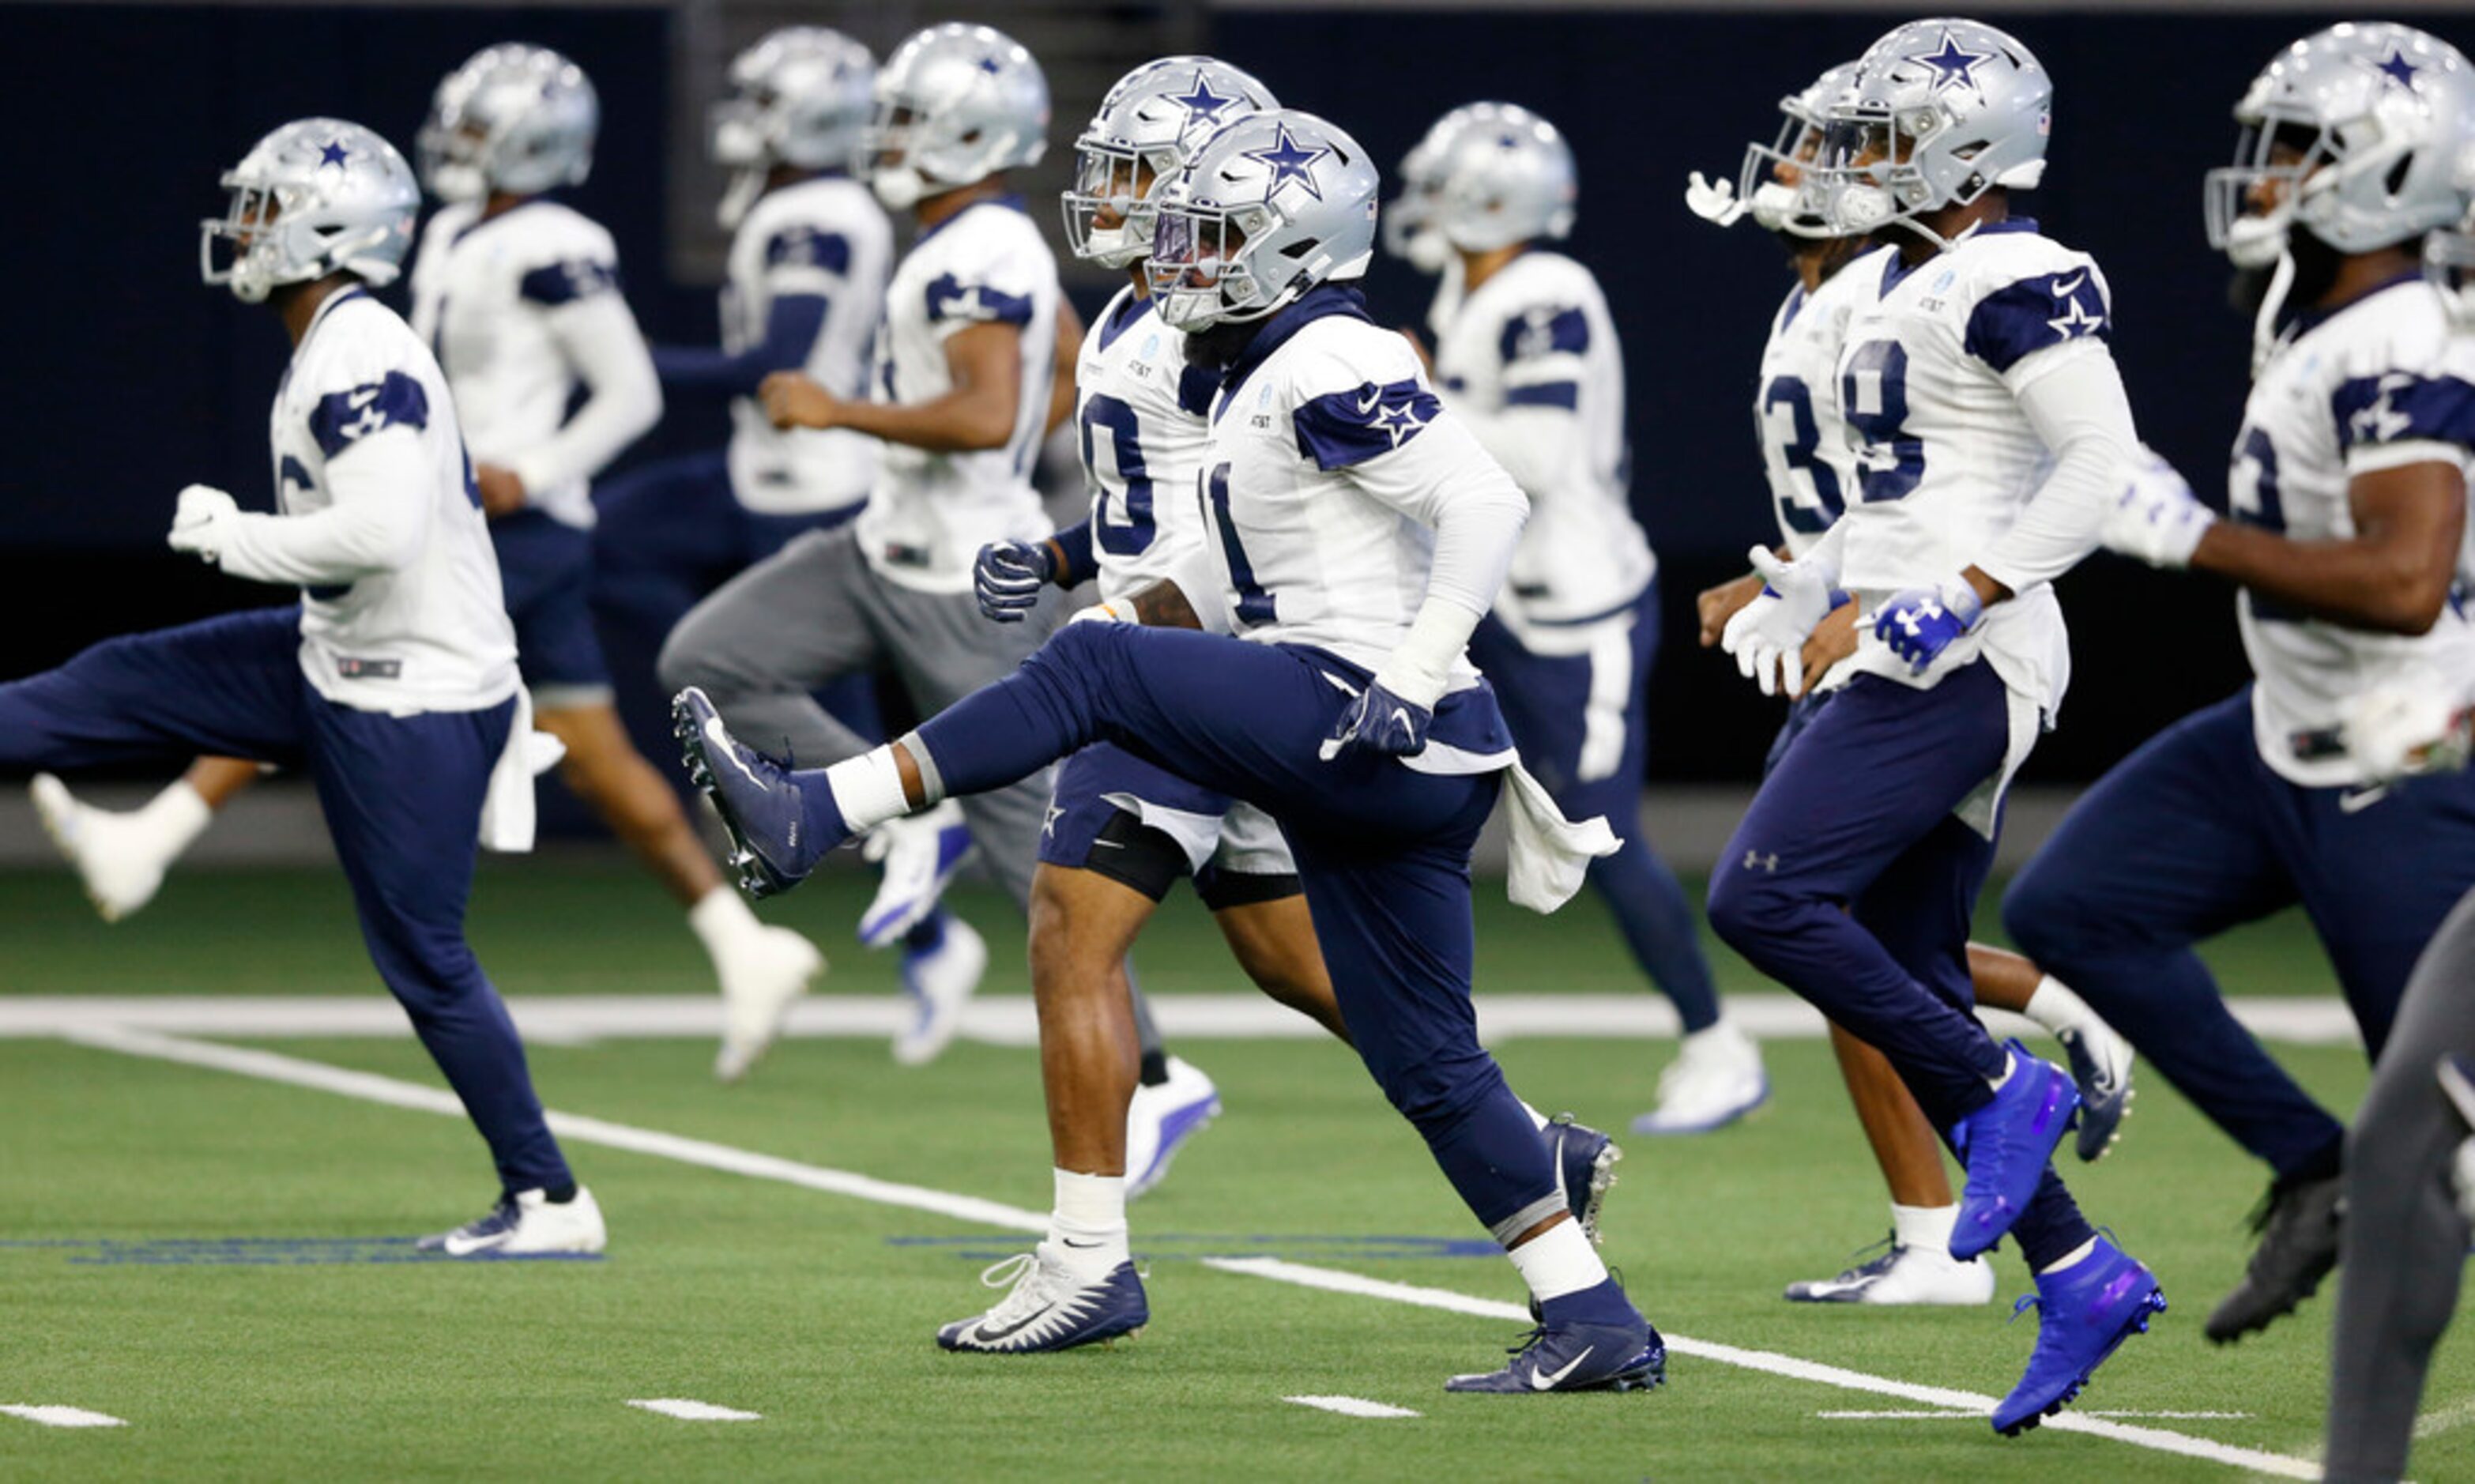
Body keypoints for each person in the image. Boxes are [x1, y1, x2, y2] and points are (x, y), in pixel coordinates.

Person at [676, 107, 1663, 1392]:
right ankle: (1596, 1319)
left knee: (1092, 670)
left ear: (1293, 244)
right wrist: (1111, 591)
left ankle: (821, 809)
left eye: (1215, 234)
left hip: (1374, 712)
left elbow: (1485, 499)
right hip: (1386, 749)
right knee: (1425, 1057)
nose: (1182, 255)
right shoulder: (1258, 366)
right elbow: (1228, 561)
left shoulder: (1329, 352)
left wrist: (1412, 667)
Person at [28, 46, 827, 1086]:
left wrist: (532, 472)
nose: (456, 139)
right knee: (591, 746)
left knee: (330, 648)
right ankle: (743, 942)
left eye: (478, 125)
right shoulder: (457, 227)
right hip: (474, 512)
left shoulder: (554, 239)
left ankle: (155, 836)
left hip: (513, 526)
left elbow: (627, 389)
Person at [966, 56, 1625, 1262]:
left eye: (1137, 170)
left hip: (1216, 663)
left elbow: (1258, 519)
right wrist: (1071, 559)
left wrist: (1145, 633)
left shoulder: (1230, 330)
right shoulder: (1155, 309)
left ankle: (1085, 1254)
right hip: (1208, 642)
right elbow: (1187, 509)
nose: (1111, 190)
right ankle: (1534, 1151)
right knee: (1294, 961)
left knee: (1071, 924)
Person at [4, 119, 601, 1254]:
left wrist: (238, 536)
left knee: (424, 957)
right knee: (109, 682)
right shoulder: (335, 335)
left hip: (412, 691)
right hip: (339, 650)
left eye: (266, 209)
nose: (245, 229)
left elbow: (379, 531)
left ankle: (552, 1200)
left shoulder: (359, 350)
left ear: (330, 228)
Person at [1707, 20, 2162, 1433]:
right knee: (1899, 973)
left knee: (1765, 897)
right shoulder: (1909, 277)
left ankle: (2008, 1082)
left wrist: (1957, 590)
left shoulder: (2018, 270)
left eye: (1883, 136)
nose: (1852, 162)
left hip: (1966, 655)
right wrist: (1811, 582)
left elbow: (2099, 463)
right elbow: (1909, 496)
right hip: (1908, 641)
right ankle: (2080, 1268)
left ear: (1963, 150)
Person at [2021, 21, 2475, 1348]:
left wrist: (2189, 534)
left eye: (2298, 151)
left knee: (2443, 1131)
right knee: (2077, 905)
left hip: (2402, 755)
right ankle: (2310, 1160)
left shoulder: (2403, 337)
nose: (2263, 176)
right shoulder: (2314, 300)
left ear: (2395, 169)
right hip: (2282, 726)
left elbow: (2401, 581)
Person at [1385, 101, 1761, 1138]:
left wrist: (1417, 399)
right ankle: (1416, 1021)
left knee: (1598, 832)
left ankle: (1715, 1042)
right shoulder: (1473, 284)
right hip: (1497, 593)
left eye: (1440, 180)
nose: (1422, 201)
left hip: (1571, 609)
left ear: (1485, 194)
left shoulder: (1550, 290)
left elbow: (1541, 458)